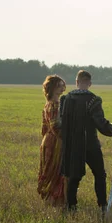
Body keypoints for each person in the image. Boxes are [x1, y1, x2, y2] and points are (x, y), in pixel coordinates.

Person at [60, 70, 112, 213]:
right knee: (99, 175)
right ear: (89, 84)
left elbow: (61, 124)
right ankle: (102, 206)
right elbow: (101, 124)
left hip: (72, 145)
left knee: (73, 176)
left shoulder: (65, 100)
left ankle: (71, 207)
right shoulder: (93, 100)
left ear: (76, 82)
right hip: (90, 144)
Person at [38, 75, 67, 206]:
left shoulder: (48, 104)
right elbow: (55, 126)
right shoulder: (55, 105)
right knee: (54, 170)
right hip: (55, 142)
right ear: (53, 87)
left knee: (49, 169)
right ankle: (53, 199)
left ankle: (52, 199)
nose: (62, 88)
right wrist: (67, 137)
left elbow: (44, 128)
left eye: (62, 85)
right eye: (59, 86)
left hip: (47, 140)